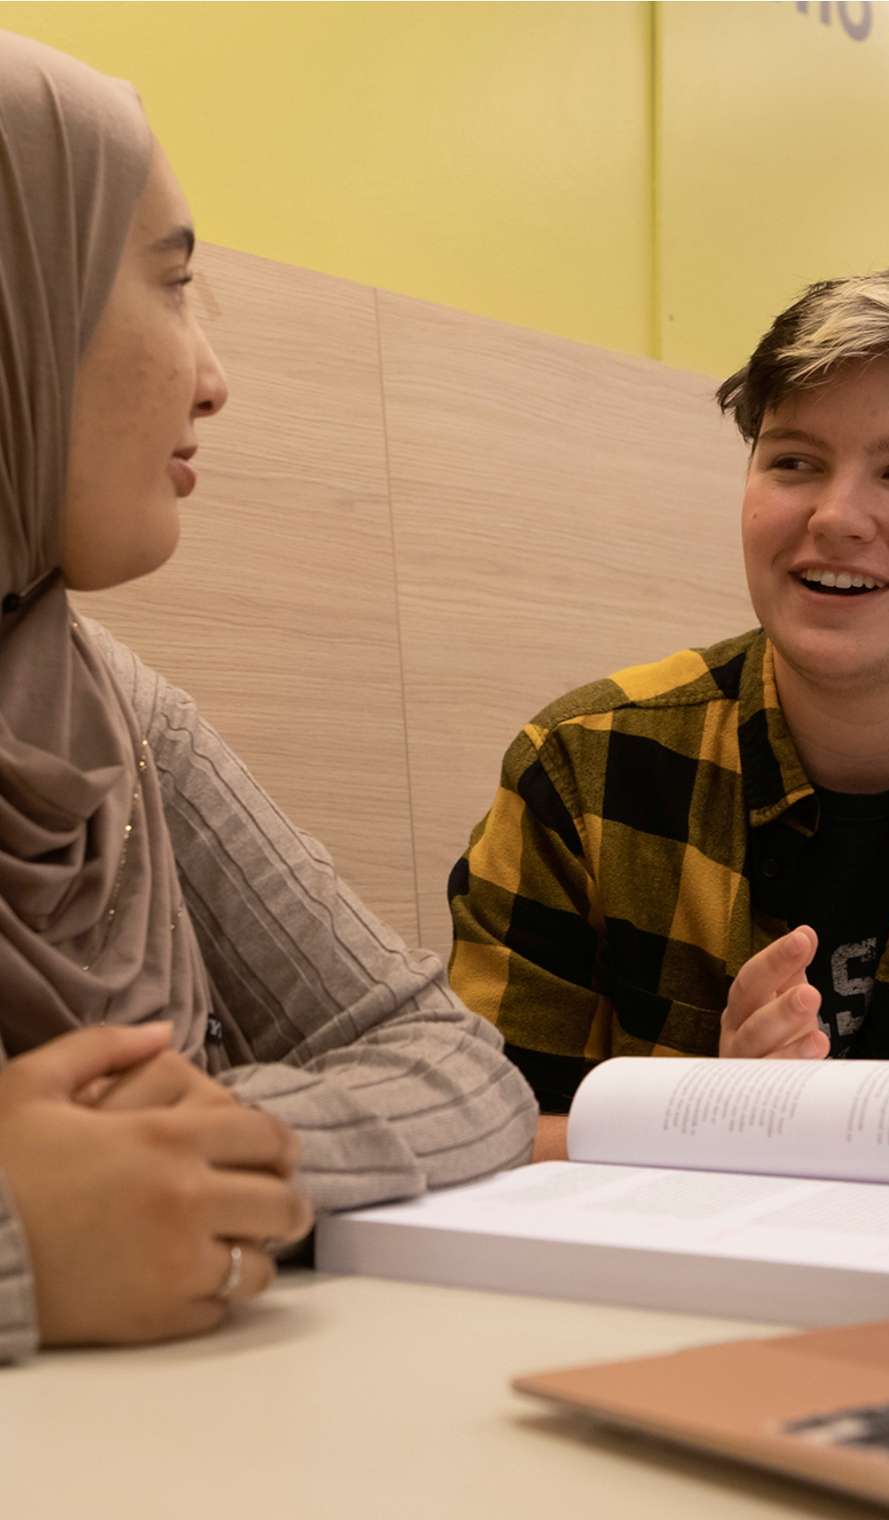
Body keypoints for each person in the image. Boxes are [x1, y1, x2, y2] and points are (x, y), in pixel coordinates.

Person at [0, 31, 536, 1363]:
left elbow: (452, 1062)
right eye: (169, 286)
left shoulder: (105, 708)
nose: (212, 375)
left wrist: (208, 1158)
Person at [449, 265, 889, 1157]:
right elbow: (477, 1136)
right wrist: (709, 1119)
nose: (835, 517)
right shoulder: (586, 768)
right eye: (795, 462)